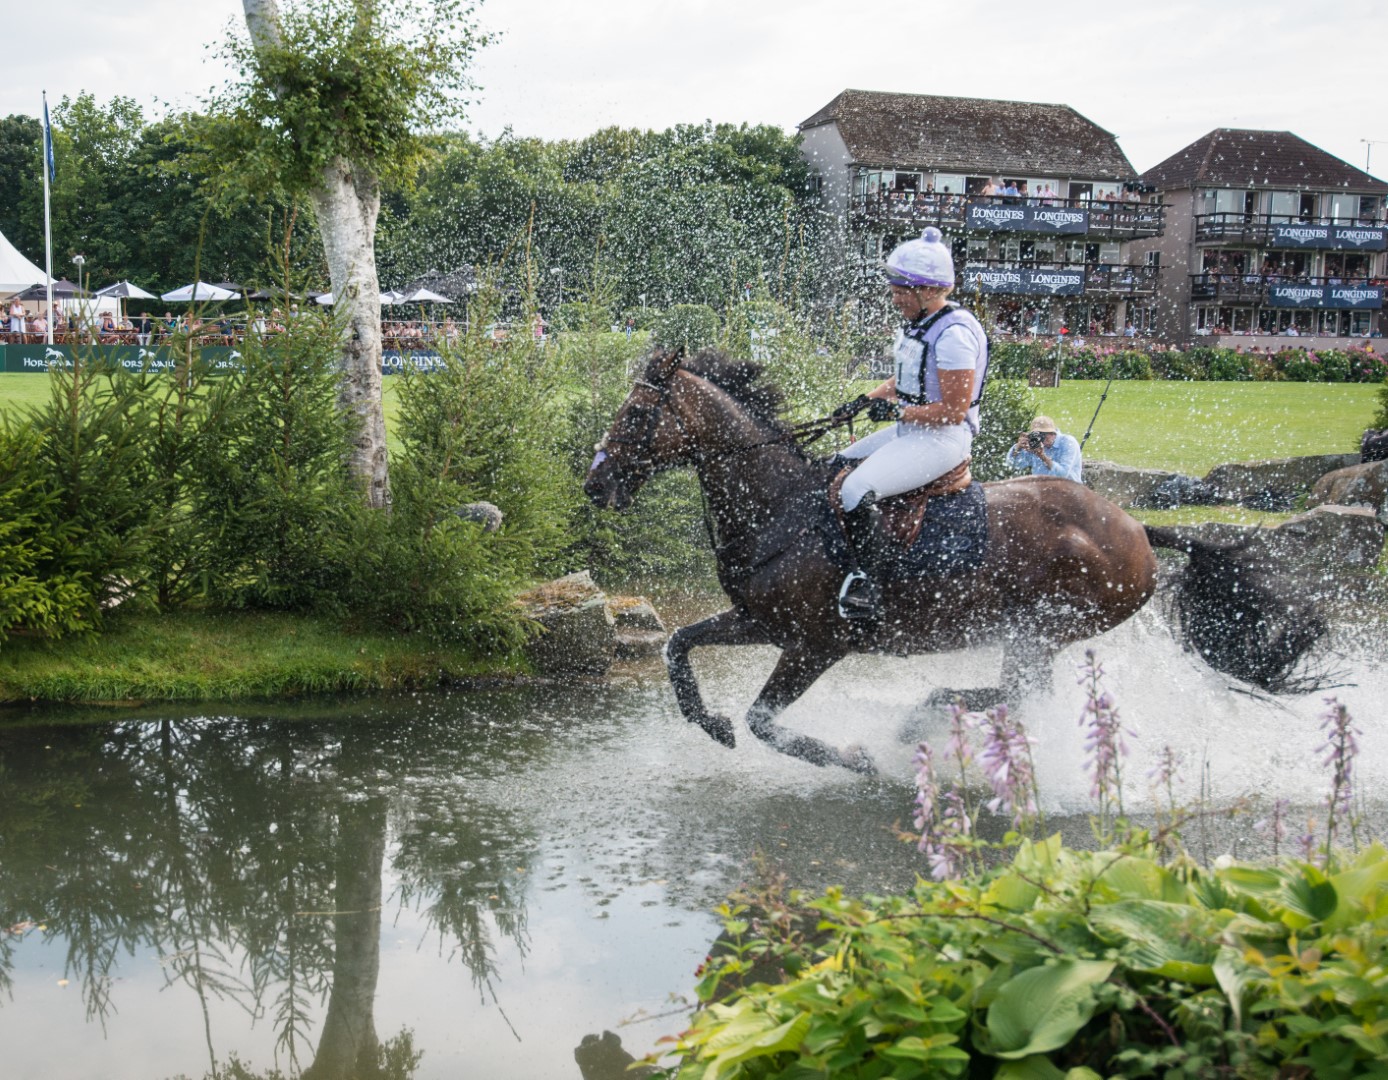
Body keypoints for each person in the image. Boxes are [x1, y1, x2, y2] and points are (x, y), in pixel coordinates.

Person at [828, 226, 988, 620]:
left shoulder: (953, 335)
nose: (895, 298)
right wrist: (864, 401)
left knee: (856, 489)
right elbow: (904, 383)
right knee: (835, 464)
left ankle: (871, 583)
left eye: (902, 291)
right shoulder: (920, 324)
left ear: (929, 291)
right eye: (895, 289)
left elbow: (954, 409)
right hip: (912, 431)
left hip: (942, 439)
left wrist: (899, 412)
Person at [1006, 415, 1082, 482]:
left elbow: (1062, 475)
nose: (1041, 438)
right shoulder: (1034, 444)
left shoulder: (1068, 442)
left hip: (1069, 490)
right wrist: (1018, 448)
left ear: (1053, 434)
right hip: (1042, 491)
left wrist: (1042, 456)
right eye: (1038, 434)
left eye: (1044, 434)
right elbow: (1013, 465)